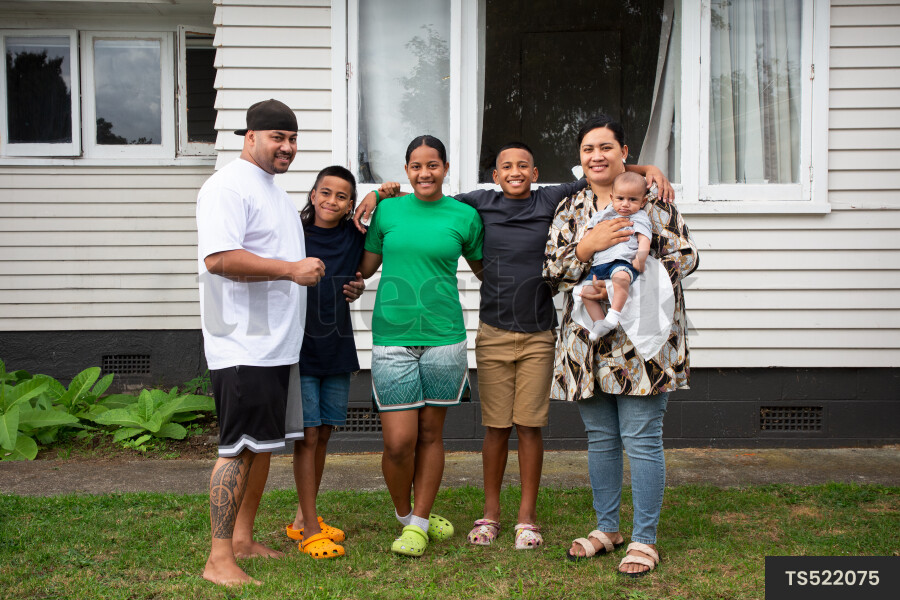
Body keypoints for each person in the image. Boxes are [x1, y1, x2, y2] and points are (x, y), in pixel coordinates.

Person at [354, 143, 672, 550]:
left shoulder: (552, 197)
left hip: (540, 332)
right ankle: (490, 515)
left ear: (536, 173)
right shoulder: (476, 204)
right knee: (496, 428)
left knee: (529, 426)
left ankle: (527, 518)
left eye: (524, 165)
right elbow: (428, 193)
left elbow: (598, 172)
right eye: (506, 166)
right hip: (493, 332)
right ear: (495, 175)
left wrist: (648, 168)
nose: (515, 172)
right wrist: (379, 193)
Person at [543, 115, 698, 577]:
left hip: (643, 343)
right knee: (601, 440)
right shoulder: (572, 208)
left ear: (623, 152)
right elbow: (553, 270)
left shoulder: (656, 201)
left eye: (606, 147)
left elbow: (687, 256)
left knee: (643, 439)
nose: (597, 156)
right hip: (590, 339)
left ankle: (644, 538)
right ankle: (607, 528)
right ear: (580, 158)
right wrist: (589, 247)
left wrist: (634, 261)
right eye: (588, 148)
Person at [196, 99, 325, 585]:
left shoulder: (269, 188)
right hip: (241, 345)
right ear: (250, 137)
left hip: (275, 345)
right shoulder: (227, 187)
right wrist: (292, 270)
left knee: (261, 446)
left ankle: (244, 538)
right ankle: (218, 558)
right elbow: (219, 259)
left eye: (292, 139)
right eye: (277, 137)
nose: (287, 147)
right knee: (237, 448)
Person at [357, 135, 484, 558]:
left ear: (445, 168)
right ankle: (405, 515)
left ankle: (422, 521)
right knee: (397, 442)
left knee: (431, 434)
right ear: (406, 169)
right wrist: (373, 195)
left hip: (444, 338)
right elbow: (364, 267)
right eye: (416, 165)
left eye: (432, 165)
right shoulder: (387, 212)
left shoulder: (465, 216)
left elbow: (487, 270)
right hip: (392, 339)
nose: (424, 173)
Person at [284, 166, 366, 559]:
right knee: (308, 435)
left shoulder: (353, 237)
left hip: (336, 344)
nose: (332, 201)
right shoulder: (293, 233)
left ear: (350, 204)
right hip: (299, 346)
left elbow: (372, 250)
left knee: (326, 433)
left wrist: (378, 195)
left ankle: (303, 517)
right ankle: (311, 528)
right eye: (326, 193)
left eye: (342, 196)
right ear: (313, 194)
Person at [581, 171, 652, 341]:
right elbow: (589, 236)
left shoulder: (639, 217)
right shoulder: (601, 215)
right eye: (620, 199)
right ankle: (599, 323)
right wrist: (587, 242)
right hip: (599, 264)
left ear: (643, 202)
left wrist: (640, 258)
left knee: (621, 278)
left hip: (622, 262)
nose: (625, 204)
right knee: (586, 292)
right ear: (612, 197)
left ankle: (613, 314)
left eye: (633, 200)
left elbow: (644, 239)